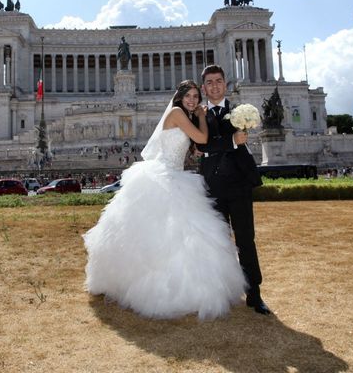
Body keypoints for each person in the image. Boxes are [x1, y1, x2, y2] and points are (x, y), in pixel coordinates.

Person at [83, 80, 245, 320]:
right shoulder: (178, 113)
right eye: (188, 95)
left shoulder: (181, 116)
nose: (192, 100)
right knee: (168, 235)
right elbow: (201, 137)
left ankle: (187, 288)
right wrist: (201, 116)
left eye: (195, 96)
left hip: (176, 176)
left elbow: (192, 146)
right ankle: (161, 291)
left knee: (180, 235)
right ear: (179, 97)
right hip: (165, 177)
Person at [197, 64, 271, 315]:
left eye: (219, 81)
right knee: (217, 242)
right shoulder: (199, 114)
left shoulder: (239, 111)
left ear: (225, 84)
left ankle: (254, 293)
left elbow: (214, 146)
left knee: (246, 239)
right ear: (204, 87)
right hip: (213, 186)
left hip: (239, 184)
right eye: (209, 82)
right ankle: (222, 290)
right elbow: (203, 145)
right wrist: (229, 142)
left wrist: (220, 144)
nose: (215, 86)